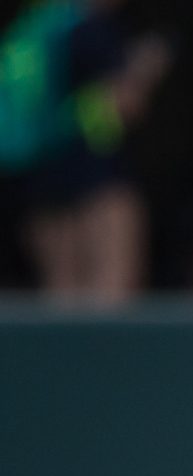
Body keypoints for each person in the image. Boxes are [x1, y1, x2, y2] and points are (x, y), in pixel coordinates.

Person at [0, 0, 168, 303]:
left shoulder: (38, 24)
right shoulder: (91, 29)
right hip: (96, 176)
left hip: (39, 177)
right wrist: (144, 69)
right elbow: (124, 106)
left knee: (61, 294)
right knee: (111, 291)